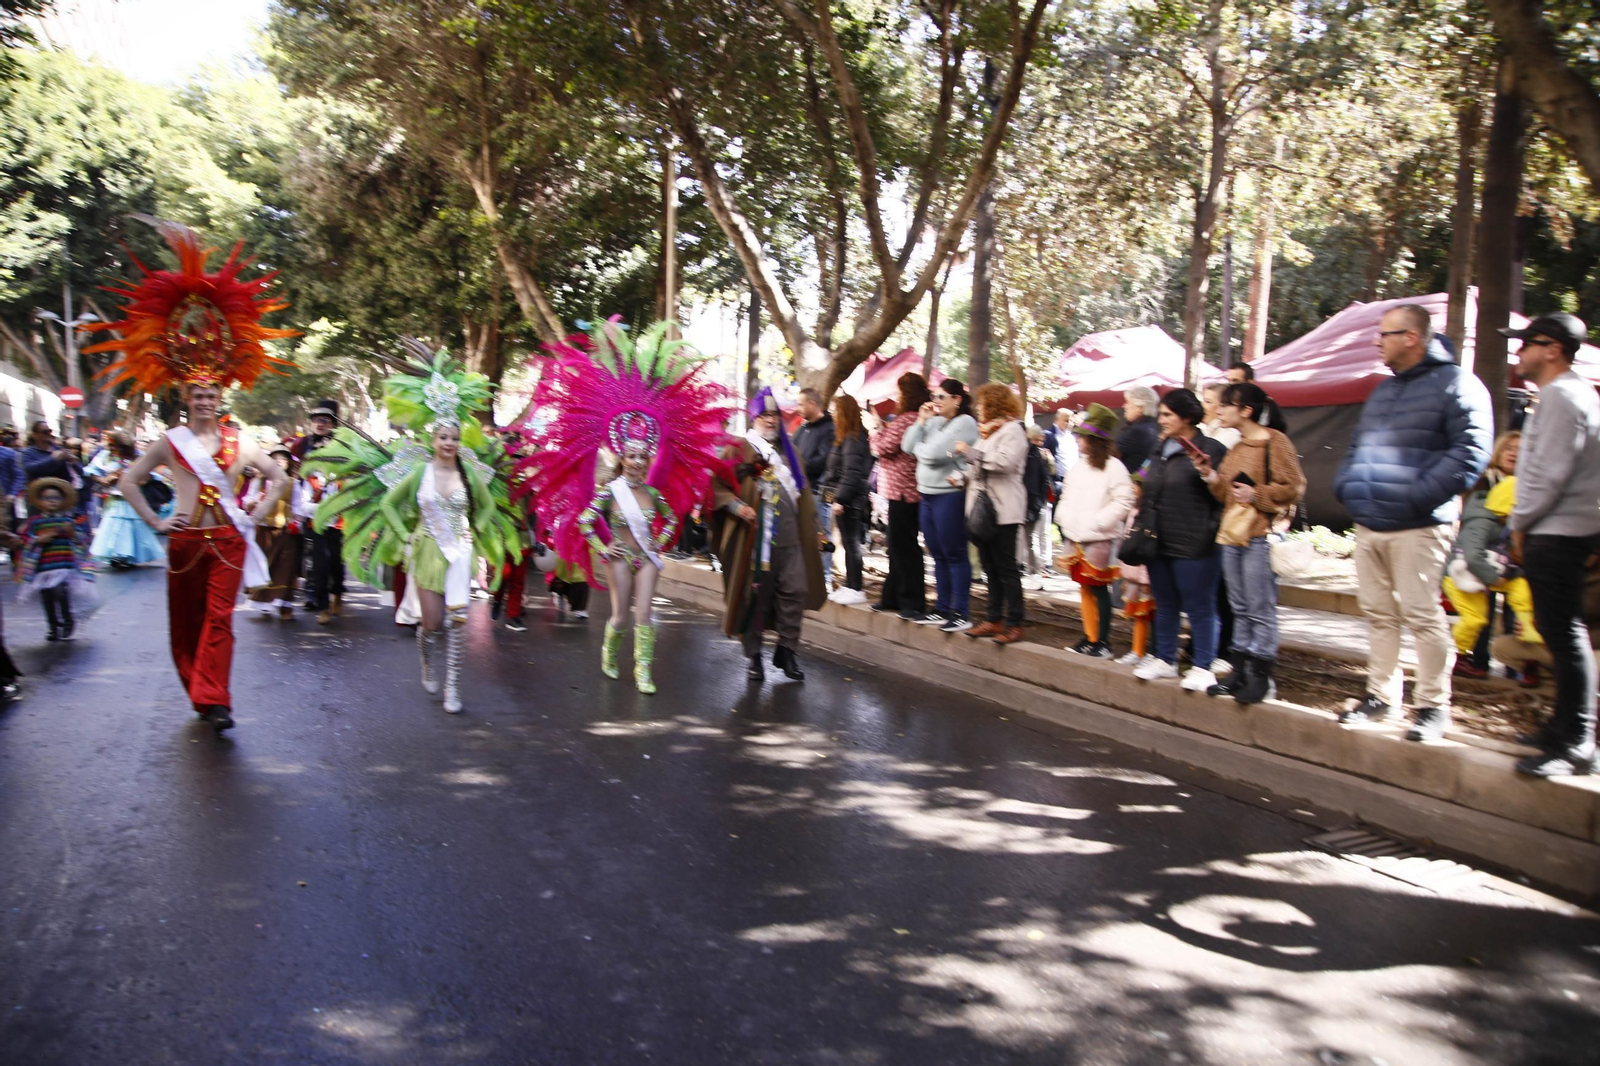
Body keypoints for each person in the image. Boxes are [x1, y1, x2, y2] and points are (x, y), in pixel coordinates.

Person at [83, 219, 297, 734]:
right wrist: (156, 522)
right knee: (187, 624)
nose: (205, 399)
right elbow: (128, 480)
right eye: (197, 394)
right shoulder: (168, 442)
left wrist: (259, 509)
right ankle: (199, 690)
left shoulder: (240, 441)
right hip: (183, 539)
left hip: (227, 538)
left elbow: (281, 477)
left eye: (212, 394)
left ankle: (216, 697)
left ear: (221, 397)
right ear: (186, 397)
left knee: (221, 619)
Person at [520, 321, 732, 694]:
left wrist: (660, 541)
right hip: (618, 557)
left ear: (648, 455)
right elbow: (587, 520)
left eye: (641, 455)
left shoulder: (652, 492)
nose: (636, 461)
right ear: (622, 455)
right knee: (620, 616)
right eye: (631, 455)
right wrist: (605, 547)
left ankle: (643, 670)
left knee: (645, 612)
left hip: (646, 557)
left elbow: (670, 520)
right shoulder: (610, 491)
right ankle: (609, 652)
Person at [1332, 304, 1492, 740]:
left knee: (1422, 615)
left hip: (1420, 525)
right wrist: (1347, 487)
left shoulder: (1459, 385)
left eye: (1385, 334)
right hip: (1370, 524)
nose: (1377, 342)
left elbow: (1470, 453)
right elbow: (1357, 447)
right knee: (1379, 615)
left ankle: (1433, 706)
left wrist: (1417, 497)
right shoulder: (1384, 391)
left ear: (1412, 338)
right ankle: (1381, 698)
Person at [1503, 312, 1600, 777]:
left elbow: (1549, 473)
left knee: (1564, 633)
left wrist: (1520, 524)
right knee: (1560, 630)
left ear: (1552, 349)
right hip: (1560, 527)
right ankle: (1562, 729)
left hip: (1557, 529)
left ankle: (1578, 740)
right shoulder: (1568, 394)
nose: (1517, 353)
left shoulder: (1563, 395)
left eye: (1525, 344)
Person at [1194, 382, 1306, 703]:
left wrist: (1257, 495)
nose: (1220, 410)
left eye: (1227, 405)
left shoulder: (1275, 442)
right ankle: (1240, 670)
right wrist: (1209, 475)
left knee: (1260, 608)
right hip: (1233, 536)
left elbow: (1295, 486)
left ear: (1246, 410)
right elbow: (1225, 494)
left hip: (1259, 537)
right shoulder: (1238, 446)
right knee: (1240, 607)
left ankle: (1261, 675)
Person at [713, 387, 828, 682]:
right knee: (755, 598)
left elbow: (803, 496)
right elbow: (716, 487)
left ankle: (787, 650)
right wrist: (738, 508)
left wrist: (816, 529)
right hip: (753, 542)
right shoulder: (738, 449)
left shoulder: (791, 453)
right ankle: (754, 657)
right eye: (765, 415)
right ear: (754, 418)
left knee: (796, 591)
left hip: (791, 540)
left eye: (775, 415)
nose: (771, 420)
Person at [1131, 389, 1229, 691]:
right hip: (1159, 539)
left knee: (1200, 606)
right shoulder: (1160, 449)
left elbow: (1223, 494)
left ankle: (1203, 665)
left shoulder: (1212, 448)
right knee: (1166, 602)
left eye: (1167, 415)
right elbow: (1147, 487)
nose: (1160, 420)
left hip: (1195, 541)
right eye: (1160, 414)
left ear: (1186, 417)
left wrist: (1208, 474)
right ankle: (1165, 658)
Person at [1444, 432, 1538, 681]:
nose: (1514, 452)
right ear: (1499, 451)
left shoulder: (1535, 485)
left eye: (1520, 448)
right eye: (1509, 447)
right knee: (1480, 614)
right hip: (1481, 556)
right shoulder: (1483, 482)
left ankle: (1518, 665)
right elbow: (1472, 526)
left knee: (1517, 610)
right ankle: (1478, 661)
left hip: (1515, 559)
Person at [951, 384, 1029, 644]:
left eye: (982, 404)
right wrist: (962, 478)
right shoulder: (988, 432)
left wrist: (968, 452)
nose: (978, 409)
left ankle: (1015, 623)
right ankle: (993, 618)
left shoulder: (1013, 431)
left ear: (995, 404)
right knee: (989, 568)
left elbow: (1003, 463)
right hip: (983, 511)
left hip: (1004, 511)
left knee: (1007, 568)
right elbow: (980, 467)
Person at [1055, 403, 1134, 658]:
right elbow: (1066, 495)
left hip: (1098, 538)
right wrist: (1064, 519)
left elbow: (1124, 500)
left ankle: (1103, 642)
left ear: (1095, 440)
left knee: (1099, 588)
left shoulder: (1114, 467)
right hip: (1076, 536)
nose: (1078, 441)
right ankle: (1090, 637)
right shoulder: (1080, 466)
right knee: (1084, 587)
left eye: (1082, 437)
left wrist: (1099, 523)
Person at [903, 378, 979, 631]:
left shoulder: (965, 423)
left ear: (957, 400)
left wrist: (921, 449)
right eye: (934, 397)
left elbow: (933, 456)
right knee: (936, 553)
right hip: (927, 495)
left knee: (954, 552)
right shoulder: (934, 422)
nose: (935, 402)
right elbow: (907, 446)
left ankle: (961, 612)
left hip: (949, 495)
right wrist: (920, 422)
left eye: (941, 397)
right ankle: (942, 608)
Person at [869, 372, 929, 619]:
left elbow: (882, 447)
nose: (896, 396)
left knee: (904, 548)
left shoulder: (907, 420)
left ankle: (911, 601)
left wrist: (875, 428)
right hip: (906, 490)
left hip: (903, 492)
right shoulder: (915, 419)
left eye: (899, 391)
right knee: (897, 546)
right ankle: (892, 596)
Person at [16, 478, 95, 641]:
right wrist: (37, 539)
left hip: (63, 565)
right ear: (40, 501)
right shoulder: (35, 521)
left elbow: (82, 540)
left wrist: (73, 533)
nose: (52, 501)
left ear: (62, 501)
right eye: (47, 498)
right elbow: (24, 538)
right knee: (47, 597)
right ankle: (52, 627)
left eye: (56, 498)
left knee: (59, 592)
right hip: (43, 566)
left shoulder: (68, 521)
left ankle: (67, 620)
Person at [292, 400, 346, 625]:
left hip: (340, 522)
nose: (320, 424)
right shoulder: (300, 447)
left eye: (325, 421)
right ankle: (320, 603)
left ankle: (337, 593)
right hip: (315, 522)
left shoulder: (344, 447)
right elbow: (295, 481)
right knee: (319, 562)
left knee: (336, 561)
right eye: (317, 420)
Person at [243, 443, 312, 620]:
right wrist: (252, 503)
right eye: (274, 458)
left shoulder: (294, 483)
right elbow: (247, 500)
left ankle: (285, 606)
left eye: (283, 458)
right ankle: (265, 602)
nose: (279, 461)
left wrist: (297, 521)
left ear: (289, 462)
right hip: (264, 530)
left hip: (286, 532)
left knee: (286, 568)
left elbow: (298, 506)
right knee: (265, 566)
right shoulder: (260, 482)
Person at [819, 394, 874, 606]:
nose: (833, 414)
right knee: (847, 541)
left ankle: (856, 587)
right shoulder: (846, 437)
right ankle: (851, 585)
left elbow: (851, 472)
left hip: (849, 498)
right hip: (842, 496)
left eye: (836, 410)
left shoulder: (854, 438)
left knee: (852, 543)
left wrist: (840, 499)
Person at [84, 431, 166, 570]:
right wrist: (105, 480)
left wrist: (139, 480)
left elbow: (152, 476)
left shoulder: (140, 456)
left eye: (126, 448)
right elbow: (91, 471)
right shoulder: (106, 456)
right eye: (120, 448)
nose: (123, 451)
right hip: (115, 498)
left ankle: (128, 556)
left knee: (132, 527)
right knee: (114, 526)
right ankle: (117, 555)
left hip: (134, 499)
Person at [793, 387, 836, 589]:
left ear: (812, 404)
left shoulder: (830, 429)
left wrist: (798, 466)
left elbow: (824, 460)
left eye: (801, 404)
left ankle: (824, 577)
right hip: (802, 489)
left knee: (822, 531)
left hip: (824, 489)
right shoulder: (802, 429)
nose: (798, 408)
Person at [20, 420, 84, 511]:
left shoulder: (59, 449)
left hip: (59, 497)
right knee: (38, 524)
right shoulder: (28, 452)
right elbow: (29, 468)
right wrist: (53, 459)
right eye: (44, 432)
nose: (48, 434)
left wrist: (75, 462)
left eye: (49, 431)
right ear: (35, 435)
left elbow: (79, 471)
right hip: (38, 498)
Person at [1022, 423, 1055, 578]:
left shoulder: (1031, 454)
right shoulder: (1033, 455)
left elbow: (1044, 477)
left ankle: (1034, 568)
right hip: (1035, 500)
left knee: (1032, 536)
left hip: (1032, 500)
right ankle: (1035, 567)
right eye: (1038, 440)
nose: (1041, 443)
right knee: (1034, 536)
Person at [1115, 385, 1161, 480]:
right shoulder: (1151, 428)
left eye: (1128, 402)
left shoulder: (1138, 431)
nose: (1124, 406)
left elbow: (1108, 455)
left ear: (1140, 407)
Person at [1200, 383, 1242, 450]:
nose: (1202, 406)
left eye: (1208, 401)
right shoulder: (1206, 431)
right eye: (1203, 401)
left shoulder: (1230, 435)